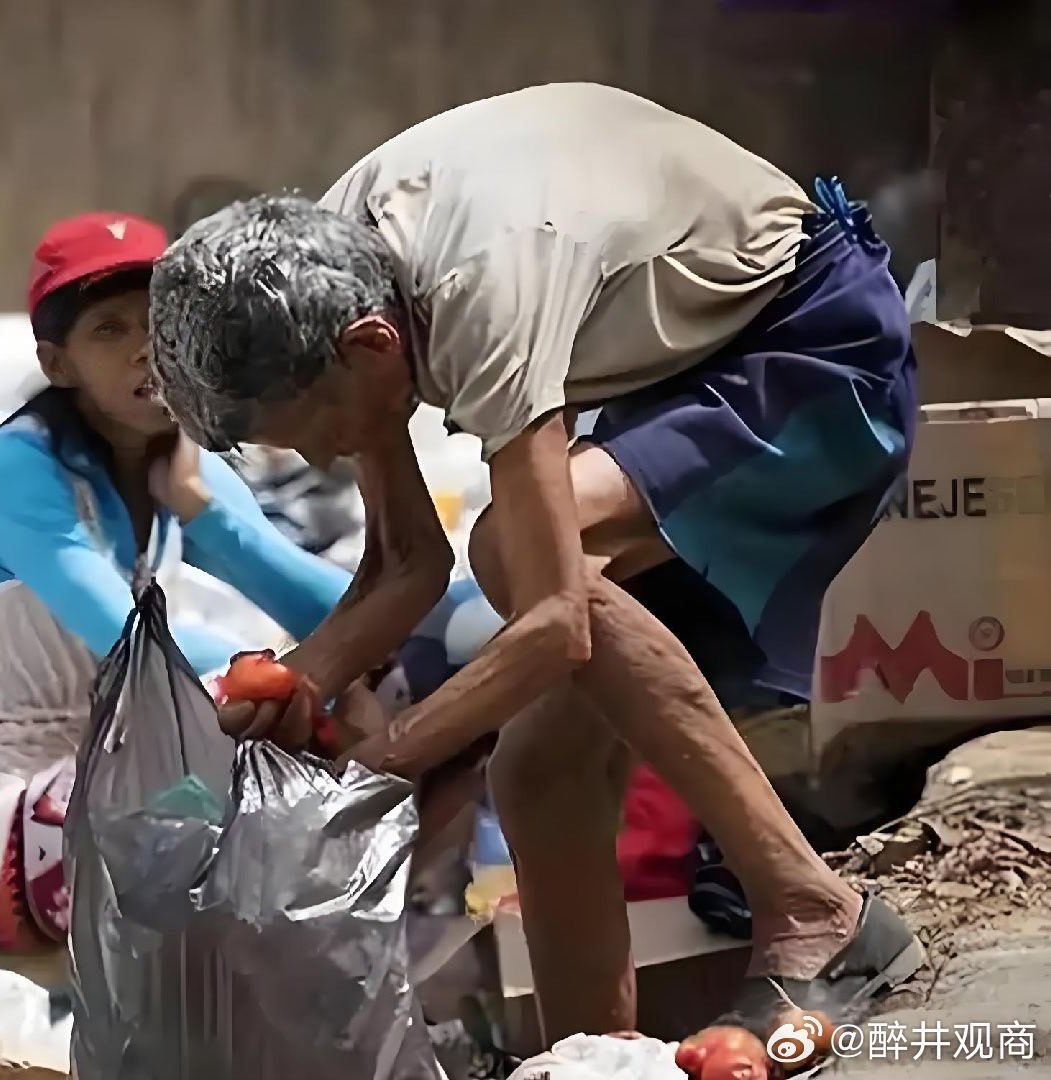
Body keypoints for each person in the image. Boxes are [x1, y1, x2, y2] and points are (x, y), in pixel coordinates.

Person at [147, 83, 922, 1039]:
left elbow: (554, 619)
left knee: (511, 550)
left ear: (371, 346)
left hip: (811, 346)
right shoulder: (334, 262)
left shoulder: (482, 284)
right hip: (674, 372)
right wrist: (298, 688)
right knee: (538, 775)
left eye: (310, 432)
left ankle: (814, 908)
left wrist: (381, 768)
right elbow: (402, 568)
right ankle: (593, 1059)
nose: (316, 460)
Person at [0, 211, 350, 953]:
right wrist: (272, 683)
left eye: (160, 323)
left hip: (91, 794)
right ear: (57, 363)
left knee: (362, 697)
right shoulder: (21, 472)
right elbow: (135, 640)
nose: (146, 352)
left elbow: (343, 616)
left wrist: (203, 513)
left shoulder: (181, 460)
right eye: (109, 330)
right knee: (260, 738)